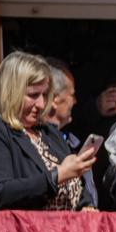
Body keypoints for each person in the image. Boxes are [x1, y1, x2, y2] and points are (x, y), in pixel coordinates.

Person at [0, 51, 96, 211]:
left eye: (45, 95)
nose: (41, 103)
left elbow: (75, 186)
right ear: (10, 93)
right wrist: (57, 175)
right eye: (33, 95)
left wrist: (85, 205)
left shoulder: (50, 133)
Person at [44, 58, 99, 209]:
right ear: (55, 98)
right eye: (72, 95)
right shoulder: (35, 142)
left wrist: (87, 205)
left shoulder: (72, 142)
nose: (75, 101)